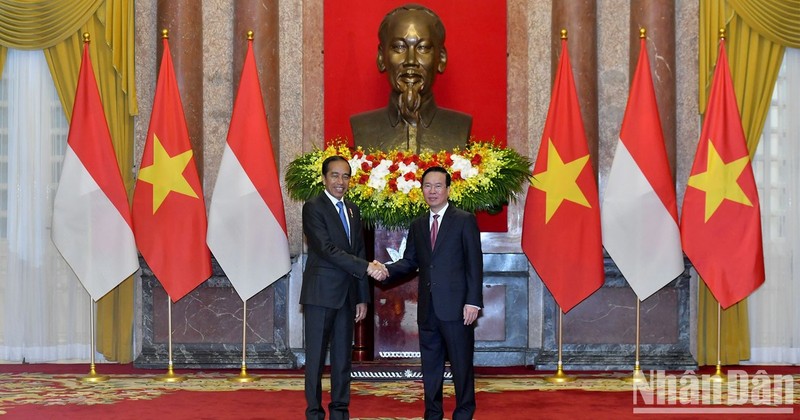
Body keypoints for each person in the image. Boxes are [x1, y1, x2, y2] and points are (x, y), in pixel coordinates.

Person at [374, 166, 483, 420]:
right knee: (431, 367)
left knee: (461, 366)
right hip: (428, 310)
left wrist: (473, 302)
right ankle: (432, 414)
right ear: (421, 189)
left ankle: (464, 413)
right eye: (427, 186)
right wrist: (385, 270)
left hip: (457, 308)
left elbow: (474, 264)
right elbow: (410, 262)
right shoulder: (419, 224)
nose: (432, 191)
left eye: (438, 186)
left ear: (448, 189)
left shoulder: (464, 220)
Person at [301, 155, 386, 420]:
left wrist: (362, 296)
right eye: (335, 175)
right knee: (315, 359)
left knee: (342, 360)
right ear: (324, 178)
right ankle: (314, 413)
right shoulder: (313, 207)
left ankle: (340, 412)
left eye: (345, 176)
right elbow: (326, 249)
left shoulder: (353, 209)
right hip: (321, 294)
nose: (341, 181)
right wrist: (366, 267)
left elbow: (358, 248)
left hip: (347, 296)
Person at [350, 3, 472, 154]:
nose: (411, 61)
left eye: (423, 48)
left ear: (441, 58)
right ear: (381, 57)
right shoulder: (363, 127)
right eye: (399, 47)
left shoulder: (459, 126)